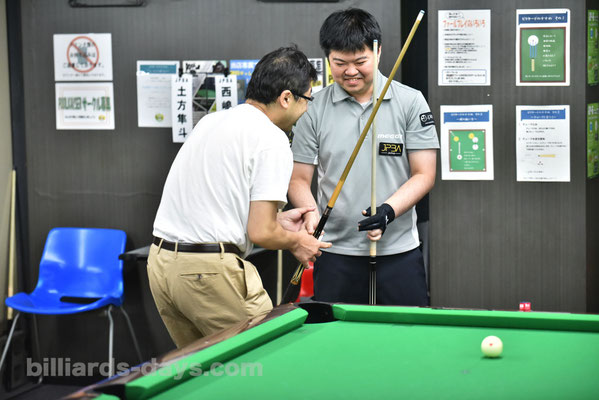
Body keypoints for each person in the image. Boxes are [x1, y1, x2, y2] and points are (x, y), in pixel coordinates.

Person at [147, 45, 332, 348]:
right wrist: (298, 242)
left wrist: (278, 221)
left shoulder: (211, 122)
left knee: (208, 368)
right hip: (208, 273)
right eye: (307, 99)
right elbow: (261, 233)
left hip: (162, 265)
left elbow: (216, 203)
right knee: (268, 357)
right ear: (287, 98)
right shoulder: (272, 138)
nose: (307, 110)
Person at [289, 8, 439, 305]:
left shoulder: (410, 102)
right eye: (339, 63)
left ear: (378, 52)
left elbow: (425, 174)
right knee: (336, 333)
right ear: (328, 59)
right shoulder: (313, 107)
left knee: (406, 331)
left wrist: (388, 211)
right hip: (334, 252)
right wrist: (311, 215)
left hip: (398, 251)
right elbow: (298, 179)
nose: (350, 71)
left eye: (360, 62)